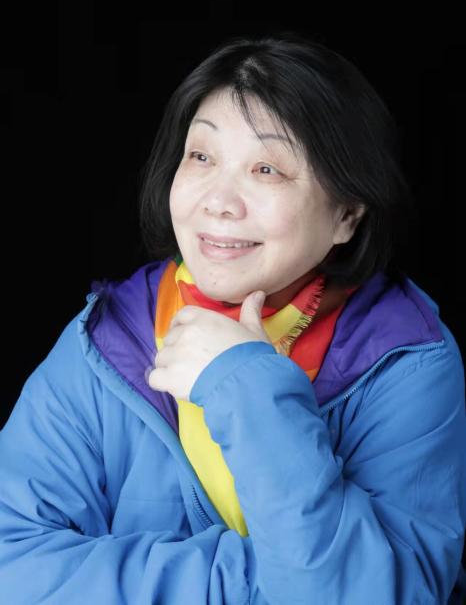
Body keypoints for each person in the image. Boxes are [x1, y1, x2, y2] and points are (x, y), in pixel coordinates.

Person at [0, 31, 465, 605]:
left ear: (346, 214)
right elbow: (11, 565)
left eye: (266, 169)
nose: (219, 201)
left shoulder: (407, 359)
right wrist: (263, 587)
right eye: (201, 156)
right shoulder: (107, 341)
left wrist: (246, 385)